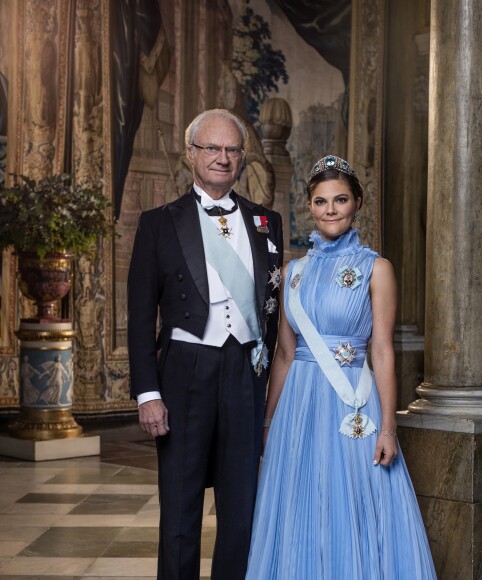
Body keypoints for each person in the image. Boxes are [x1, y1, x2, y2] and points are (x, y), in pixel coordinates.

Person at [246, 155, 436, 579]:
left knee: (350, 504)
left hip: (351, 404)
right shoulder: (292, 272)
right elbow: (283, 355)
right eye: (320, 201)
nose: (330, 209)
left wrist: (389, 427)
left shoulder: (377, 269)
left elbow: (383, 351)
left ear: (357, 203)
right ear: (309, 206)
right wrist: (268, 420)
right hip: (298, 408)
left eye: (340, 199)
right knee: (299, 507)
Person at [127, 108, 283, 580]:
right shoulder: (158, 223)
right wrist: (147, 393)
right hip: (184, 370)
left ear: (241, 159)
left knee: (242, 503)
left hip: (244, 371)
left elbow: (273, 306)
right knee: (180, 500)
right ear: (191, 154)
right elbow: (139, 316)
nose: (222, 157)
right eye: (212, 148)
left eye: (232, 149)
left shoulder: (265, 221)